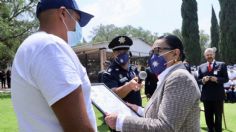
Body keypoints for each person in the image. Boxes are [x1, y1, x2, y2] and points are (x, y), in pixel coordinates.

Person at [11, 0, 97, 131]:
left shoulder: (31, 46)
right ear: (63, 13)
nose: (77, 27)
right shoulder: (50, 47)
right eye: (77, 20)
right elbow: (79, 129)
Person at [105, 35, 201, 132]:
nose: (153, 56)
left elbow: (165, 127)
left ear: (175, 53)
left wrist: (120, 121)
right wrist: (139, 110)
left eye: (158, 51)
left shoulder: (180, 78)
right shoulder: (170, 76)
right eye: (152, 52)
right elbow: (161, 115)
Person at [102, 36, 142, 106]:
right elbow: (113, 95)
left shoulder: (134, 69)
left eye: (125, 51)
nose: (122, 54)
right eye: (118, 52)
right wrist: (129, 86)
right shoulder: (108, 73)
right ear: (113, 54)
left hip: (137, 111)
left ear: (129, 53)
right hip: (122, 114)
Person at [197, 48, 229, 132]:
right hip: (206, 96)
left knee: (218, 117)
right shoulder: (201, 67)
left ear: (214, 55)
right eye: (207, 55)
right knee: (208, 117)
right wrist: (203, 80)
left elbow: (226, 79)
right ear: (205, 56)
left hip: (218, 96)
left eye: (211, 54)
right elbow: (198, 81)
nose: (209, 56)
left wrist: (217, 79)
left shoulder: (221, 64)